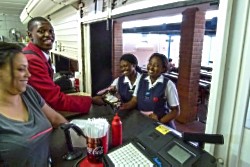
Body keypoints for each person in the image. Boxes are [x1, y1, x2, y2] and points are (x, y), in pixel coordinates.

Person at [0, 42, 68, 166]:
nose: (28, 74)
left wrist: (81, 136)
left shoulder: (28, 93)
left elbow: (56, 119)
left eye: (27, 68)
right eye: (21, 69)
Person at [23, 16, 102, 113]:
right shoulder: (32, 60)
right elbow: (55, 100)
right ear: (30, 35)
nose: (48, 35)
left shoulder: (38, 54)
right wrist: (91, 100)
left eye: (51, 31)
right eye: (41, 31)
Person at [120, 53, 180, 129]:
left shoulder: (168, 84)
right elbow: (134, 100)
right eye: (150, 63)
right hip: (143, 121)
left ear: (163, 69)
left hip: (161, 124)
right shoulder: (141, 78)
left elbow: (176, 111)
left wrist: (159, 121)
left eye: (156, 66)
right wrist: (124, 106)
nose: (151, 67)